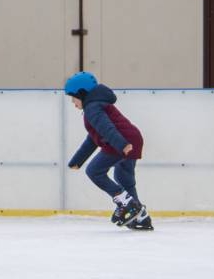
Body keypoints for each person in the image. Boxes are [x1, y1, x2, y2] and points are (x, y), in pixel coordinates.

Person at [64, 72, 153, 230]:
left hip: (121, 142)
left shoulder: (92, 108)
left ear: (82, 94)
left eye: (73, 97)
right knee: (124, 178)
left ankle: (126, 203)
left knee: (94, 171)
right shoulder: (97, 105)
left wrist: (122, 145)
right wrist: (77, 160)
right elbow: (93, 138)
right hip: (132, 139)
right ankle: (141, 217)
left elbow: (107, 128)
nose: (72, 102)